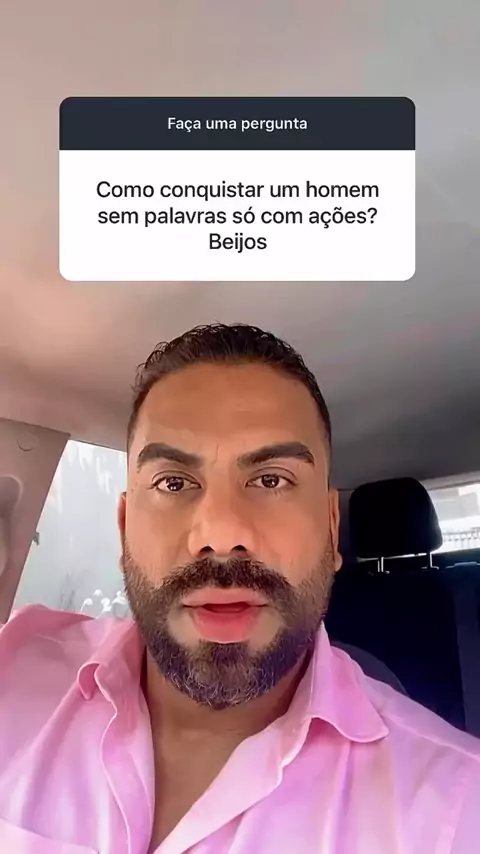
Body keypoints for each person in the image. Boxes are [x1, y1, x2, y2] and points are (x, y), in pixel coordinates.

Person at [0, 323, 479, 854]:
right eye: (173, 483)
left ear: (331, 526)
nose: (222, 535)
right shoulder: (12, 670)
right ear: (125, 526)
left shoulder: (457, 808)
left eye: (271, 480)